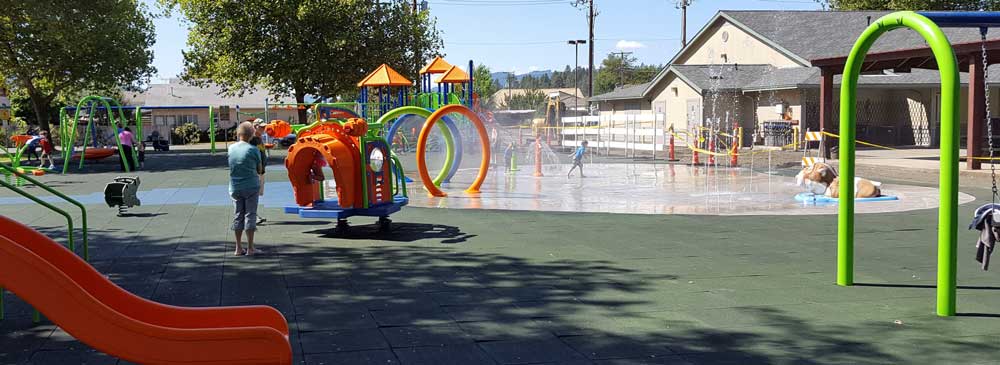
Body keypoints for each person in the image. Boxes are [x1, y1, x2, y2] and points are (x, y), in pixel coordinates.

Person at [229, 122, 262, 256]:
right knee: (250, 215)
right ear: (252, 135)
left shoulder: (231, 148)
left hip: (235, 186)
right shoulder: (253, 150)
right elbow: (259, 169)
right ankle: (250, 247)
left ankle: (238, 247)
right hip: (251, 186)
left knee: (238, 215)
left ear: (238, 134)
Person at [249, 119, 268, 225]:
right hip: (255, 171)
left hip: (261, 170)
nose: (263, 129)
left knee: (257, 194)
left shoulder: (259, 138)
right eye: (261, 127)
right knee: (253, 194)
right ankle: (252, 216)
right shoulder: (252, 139)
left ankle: (253, 214)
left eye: (264, 127)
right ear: (255, 126)